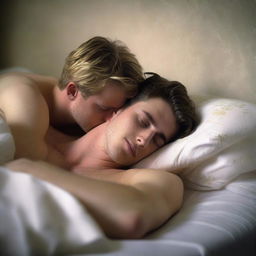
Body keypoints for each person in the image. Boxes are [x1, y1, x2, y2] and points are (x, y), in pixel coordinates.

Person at [5, 73, 198, 239]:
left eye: (158, 139)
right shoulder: (36, 125)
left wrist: (30, 169)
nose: (144, 140)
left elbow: (133, 217)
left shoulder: (157, 181)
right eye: (143, 121)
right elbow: (14, 81)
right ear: (117, 110)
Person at [0, 36, 144, 161]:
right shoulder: (25, 99)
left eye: (116, 110)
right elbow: (26, 164)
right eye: (104, 108)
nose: (110, 120)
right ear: (72, 91)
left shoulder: (82, 119)